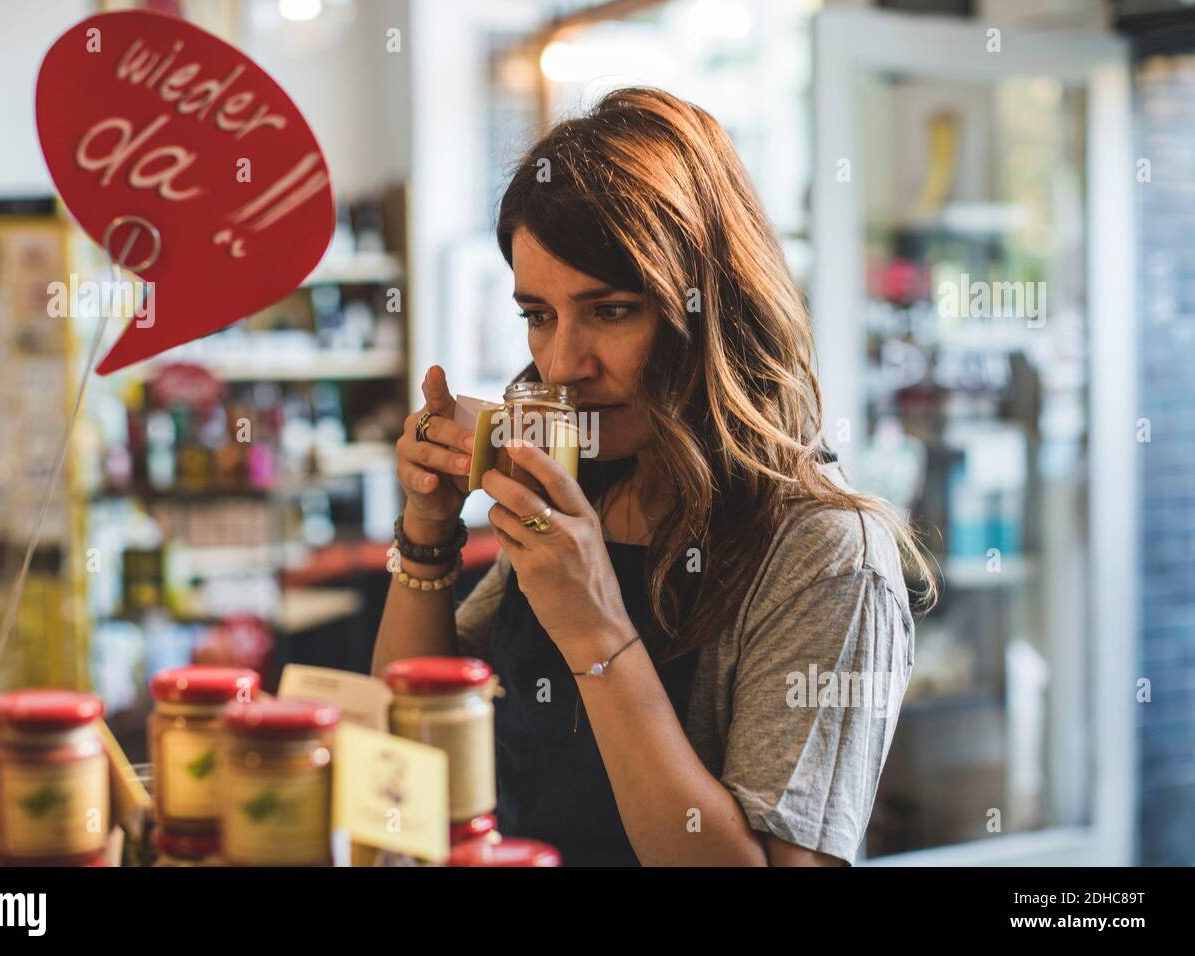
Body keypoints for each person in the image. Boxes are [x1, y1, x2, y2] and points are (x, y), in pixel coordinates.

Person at [372, 86, 935, 866]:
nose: (563, 364)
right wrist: (428, 534)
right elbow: (402, 751)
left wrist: (596, 630)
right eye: (538, 315)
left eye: (611, 311)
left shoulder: (828, 558)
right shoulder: (592, 486)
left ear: (717, 311)